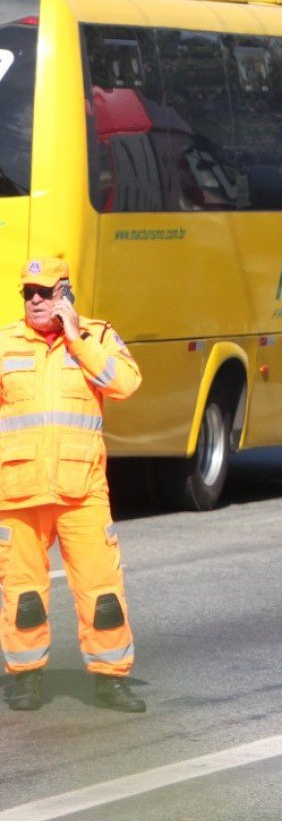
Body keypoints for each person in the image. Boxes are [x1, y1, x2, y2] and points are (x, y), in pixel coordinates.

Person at [1, 256, 145, 714]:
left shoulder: (96, 337)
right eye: (29, 293)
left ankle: (111, 679)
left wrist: (76, 339)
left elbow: (125, 384)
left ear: (65, 294)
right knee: (22, 594)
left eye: (45, 292)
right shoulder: (5, 343)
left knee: (103, 593)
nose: (36, 300)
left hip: (81, 490)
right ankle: (25, 678)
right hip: (18, 491)